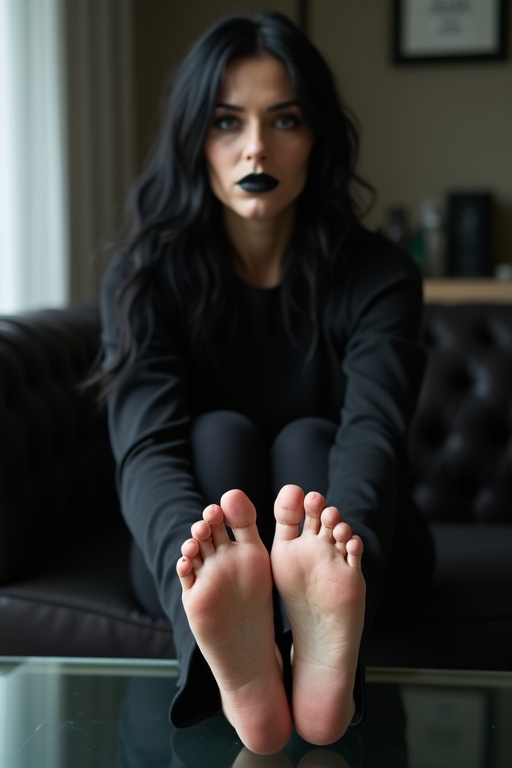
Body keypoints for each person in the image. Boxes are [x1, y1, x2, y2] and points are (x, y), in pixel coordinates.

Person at [98, 11, 435, 756]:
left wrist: (346, 557)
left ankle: (323, 636)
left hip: (355, 529)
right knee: (218, 438)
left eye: (284, 119)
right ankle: (234, 648)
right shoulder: (146, 276)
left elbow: (371, 438)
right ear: (195, 140)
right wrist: (199, 588)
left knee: (311, 446)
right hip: (200, 525)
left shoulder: (379, 274)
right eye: (227, 122)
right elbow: (146, 450)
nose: (256, 147)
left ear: (317, 136)